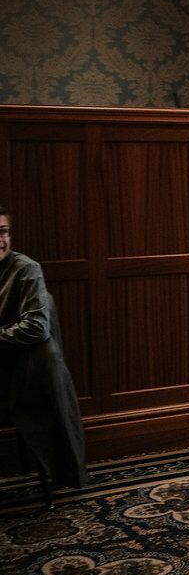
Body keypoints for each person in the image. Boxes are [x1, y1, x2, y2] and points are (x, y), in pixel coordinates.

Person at [0, 206, 88, 503]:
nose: (0, 239)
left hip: (21, 379)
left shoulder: (26, 269)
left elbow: (36, 328)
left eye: (3, 231)